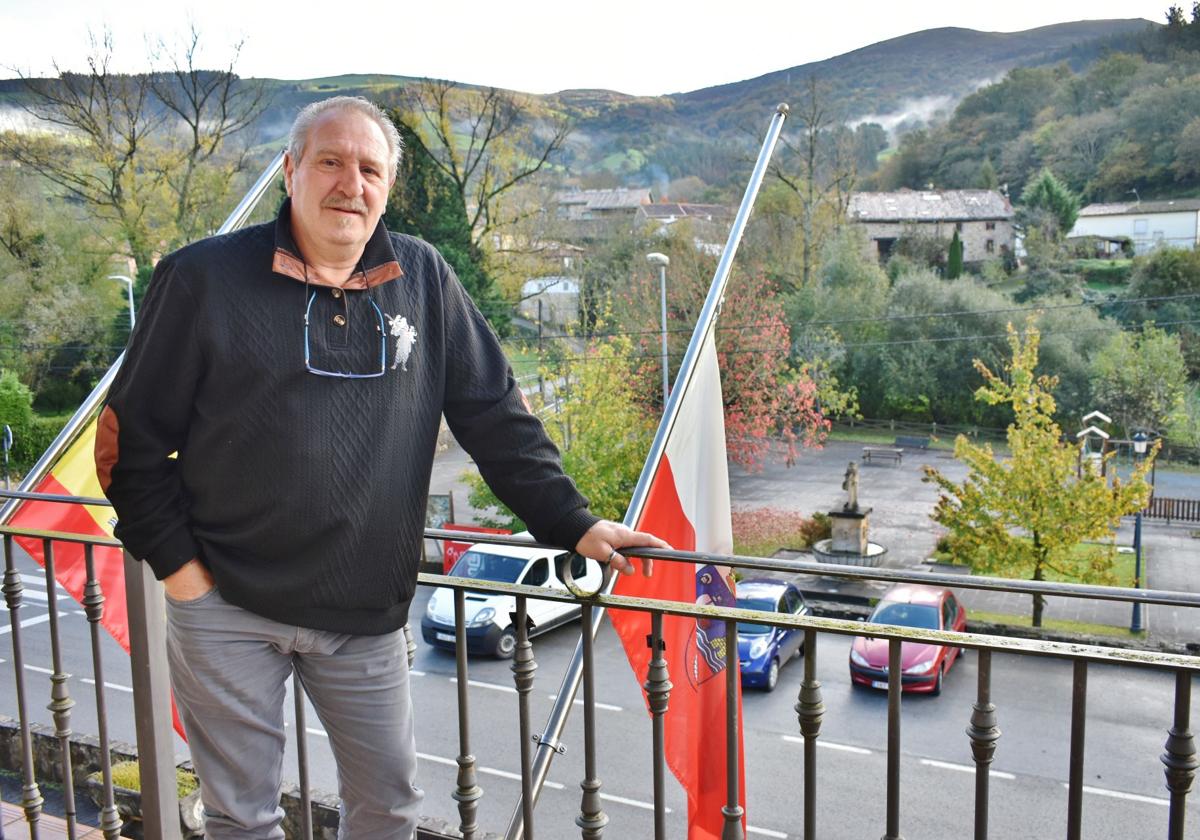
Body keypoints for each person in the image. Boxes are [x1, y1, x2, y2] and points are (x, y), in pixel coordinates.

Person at [94, 96, 666, 840]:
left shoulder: (424, 280)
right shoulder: (202, 280)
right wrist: (182, 573)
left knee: (389, 809)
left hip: (363, 617)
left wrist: (573, 520)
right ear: (291, 169)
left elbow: (495, 416)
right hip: (226, 607)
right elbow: (126, 444)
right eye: (330, 161)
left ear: (387, 187)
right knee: (242, 816)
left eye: (370, 169)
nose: (350, 184)